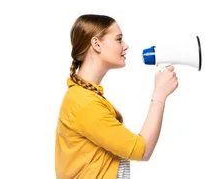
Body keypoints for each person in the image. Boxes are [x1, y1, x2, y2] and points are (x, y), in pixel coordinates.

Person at [55, 14, 179, 179]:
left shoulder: (85, 97)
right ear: (96, 44)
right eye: (119, 39)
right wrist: (159, 95)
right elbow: (141, 151)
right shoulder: (84, 103)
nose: (125, 46)